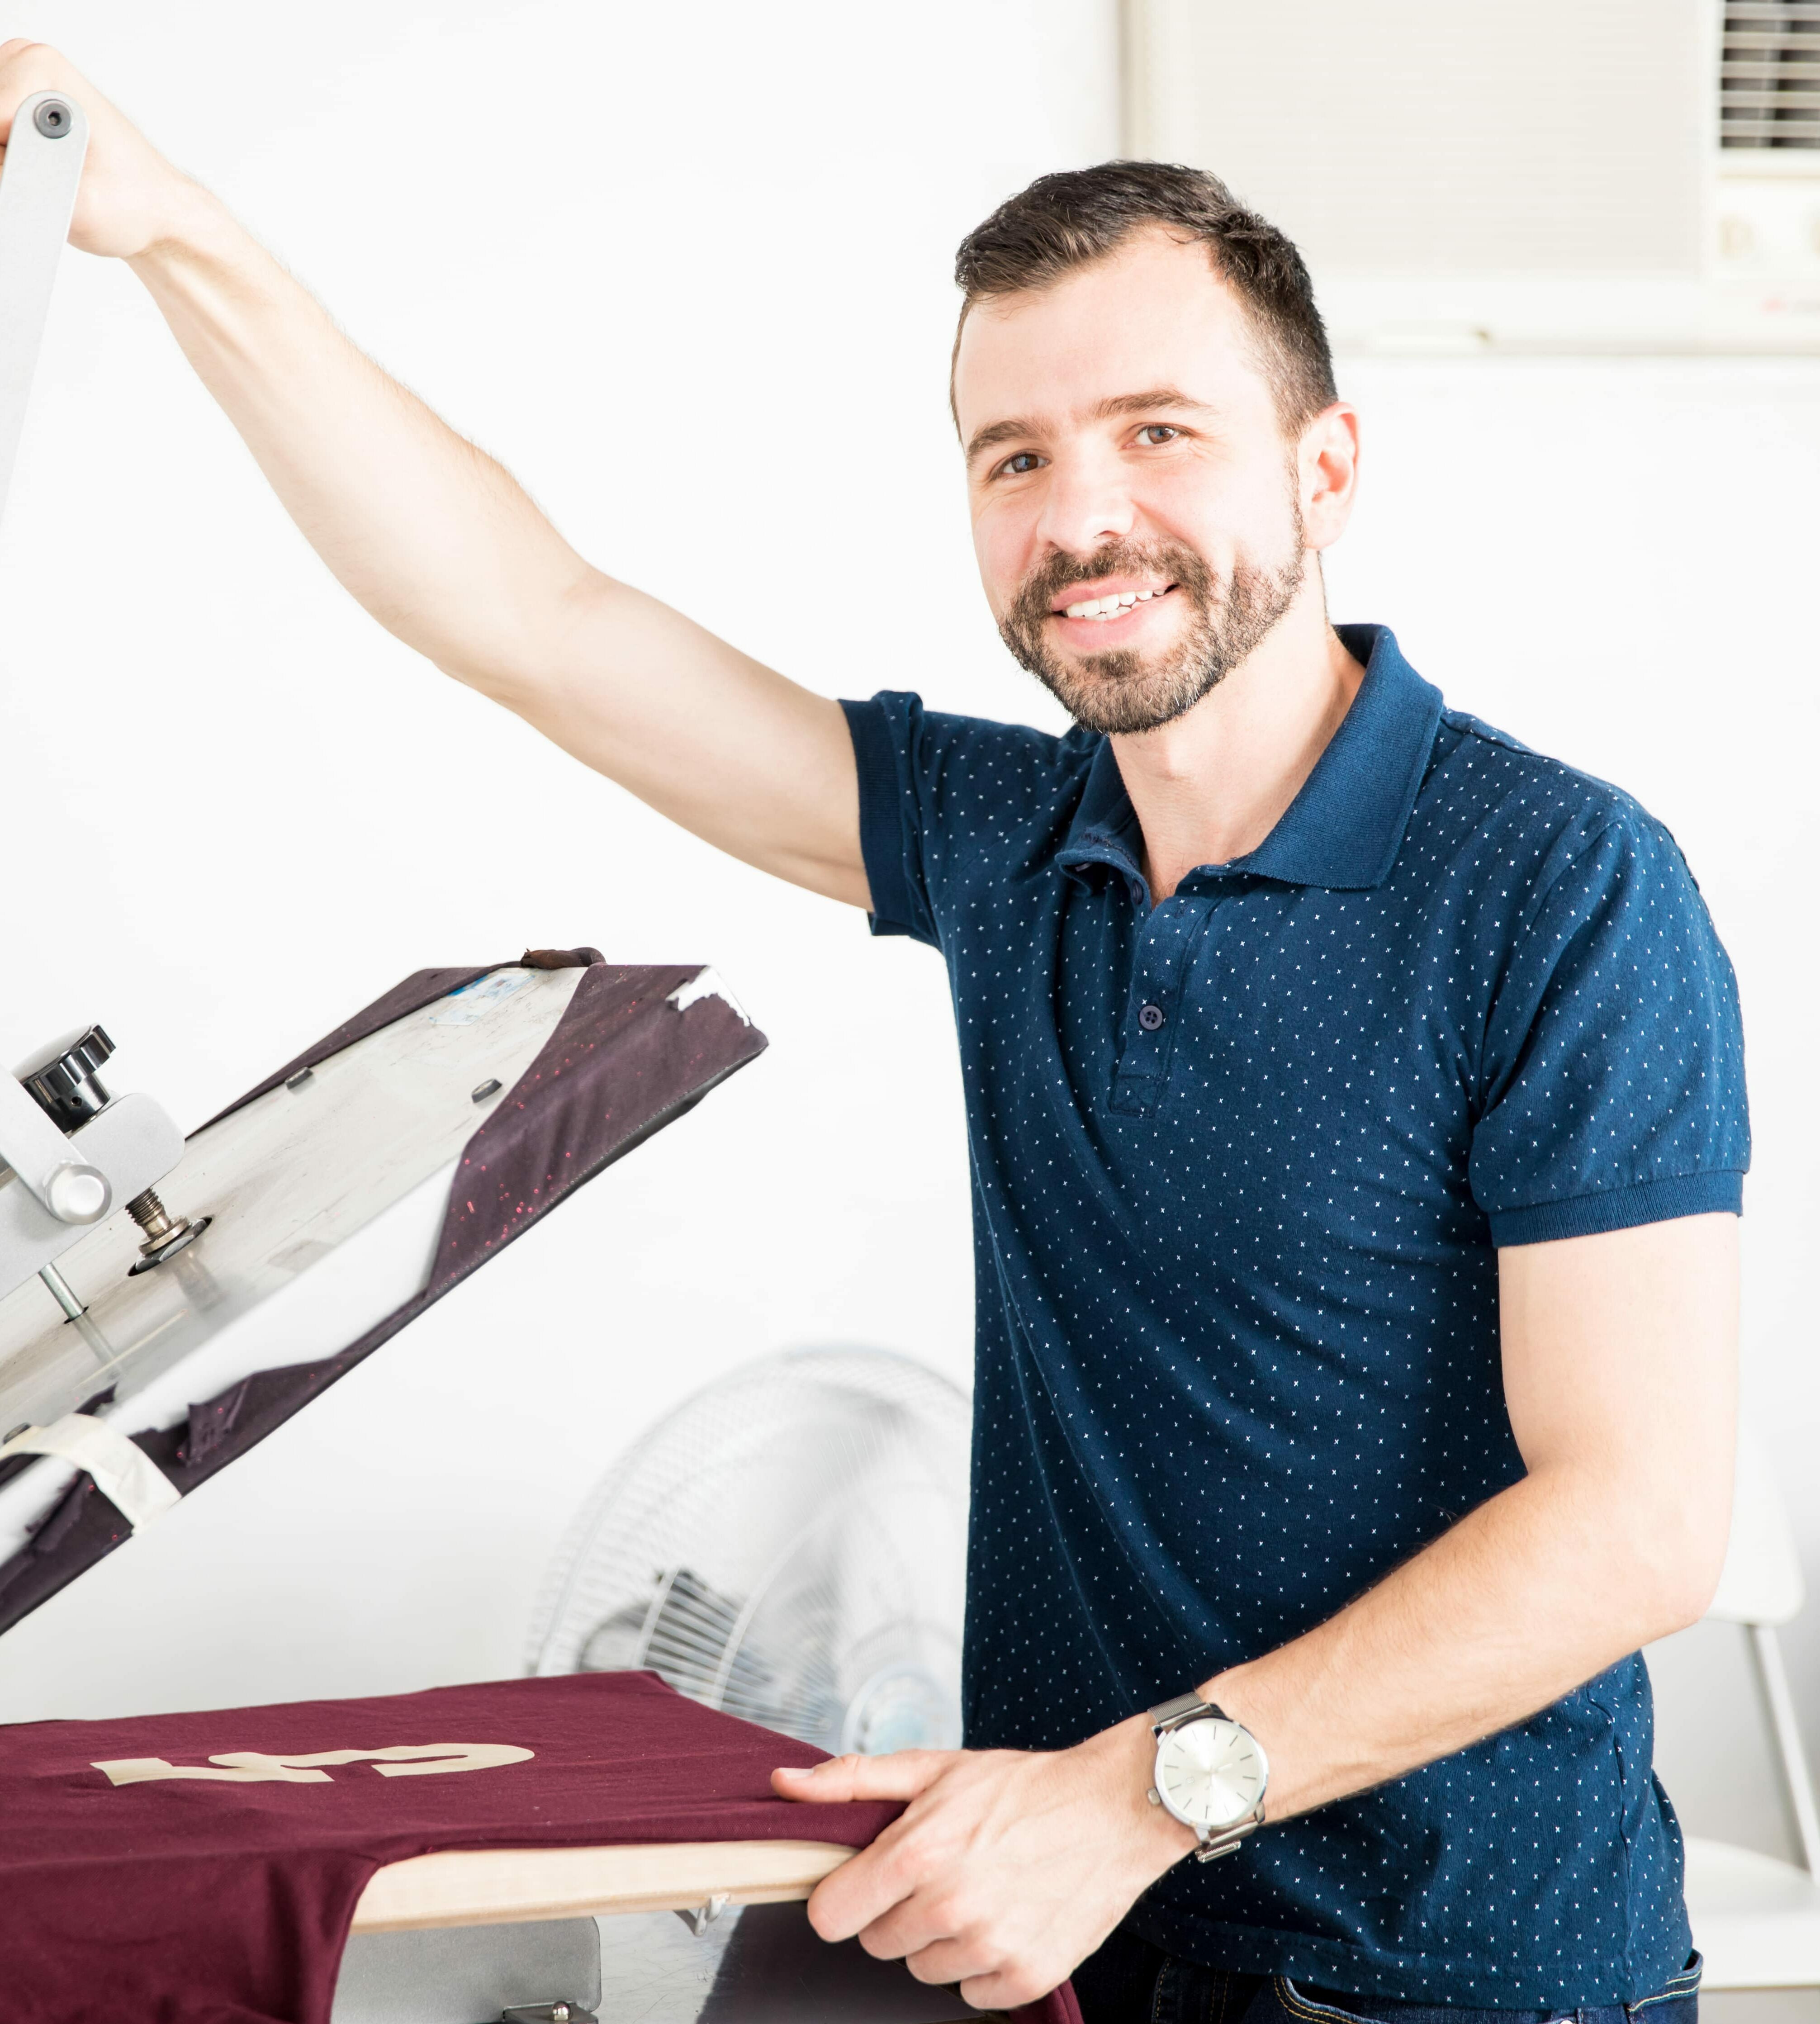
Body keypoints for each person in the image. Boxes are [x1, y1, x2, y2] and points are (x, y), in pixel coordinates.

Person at [0, 41, 1746, 2023]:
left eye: (1157, 433)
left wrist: (1143, 1794)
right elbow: (532, 618)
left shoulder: (1557, 883)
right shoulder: (1009, 843)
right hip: (1056, 1937)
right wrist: (166, 225)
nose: (1082, 517)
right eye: (1013, 457)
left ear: (1322, 467)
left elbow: (1632, 1525)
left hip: (1442, 1975)